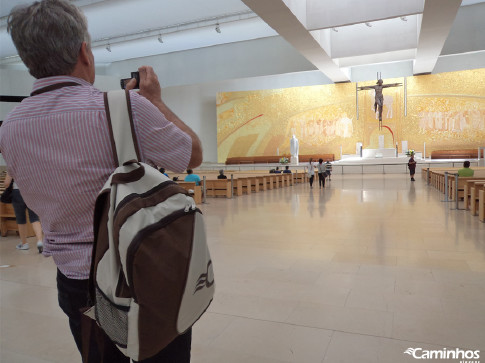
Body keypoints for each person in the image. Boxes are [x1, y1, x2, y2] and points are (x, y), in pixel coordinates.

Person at [2, 1, 202, 361]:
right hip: (137, 274)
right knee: (155, 352)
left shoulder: (9, 129)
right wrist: (155, 101)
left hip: (75, 284)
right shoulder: (123, 107)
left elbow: (32, 196)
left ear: (27, 58)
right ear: (84, 51)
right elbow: (192, 156)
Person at [3, 173, 44, 252]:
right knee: (34, 218)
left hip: (17, 193)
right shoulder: (33, 165)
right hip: (32, 192)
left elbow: (7, 183)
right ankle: (39, 241)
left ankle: (24, 244)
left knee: (21, 219)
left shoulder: (13, 164)